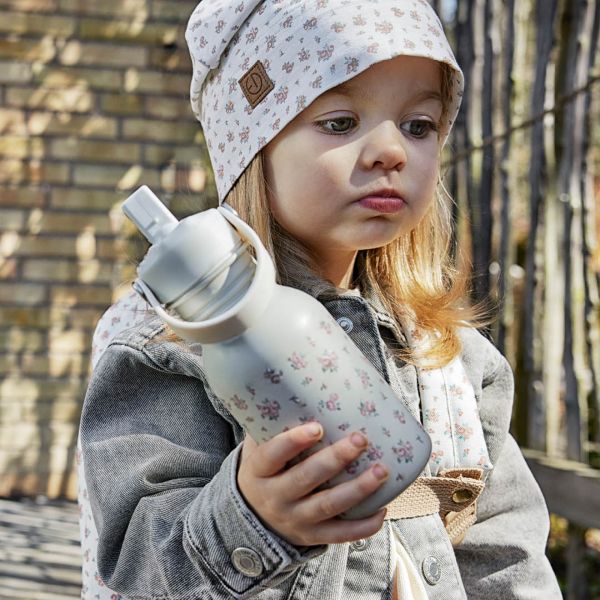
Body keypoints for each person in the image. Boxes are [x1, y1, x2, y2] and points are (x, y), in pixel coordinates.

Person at [78, 0, 562, 598]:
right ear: (252, 149)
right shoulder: (174, 345)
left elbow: (506, 556)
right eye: (339, 121)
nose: (393, 150)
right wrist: (251, 517)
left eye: (419, 125)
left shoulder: (451, 359)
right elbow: (137, 562)